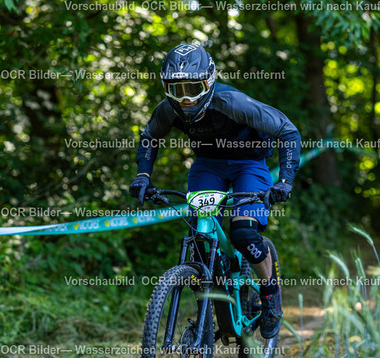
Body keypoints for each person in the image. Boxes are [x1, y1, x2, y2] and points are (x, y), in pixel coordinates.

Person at [129, 43, 301, 339]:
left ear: (208, 83)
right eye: (176, 89)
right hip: (208, 165)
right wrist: (143, 176)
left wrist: (285, 180)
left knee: (243, 233)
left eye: (192, 88)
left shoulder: (233, 102)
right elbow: (149, 137)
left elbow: (287, 131)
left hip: (249, 163)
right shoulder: (168, 110)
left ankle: (270, 295)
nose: (185, 99)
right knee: (200, 238)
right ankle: (208, 310)